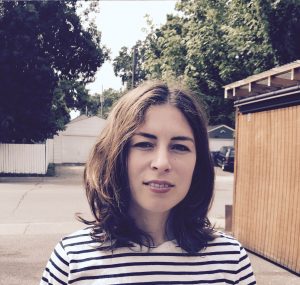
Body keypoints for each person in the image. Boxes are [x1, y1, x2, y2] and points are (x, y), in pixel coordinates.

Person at [40, 80, 256, 285]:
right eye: (144, 144)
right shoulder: (72, 259)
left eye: (180, 147)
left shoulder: (231, 260)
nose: (162, 163)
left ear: (198, 164)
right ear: (116, 155)